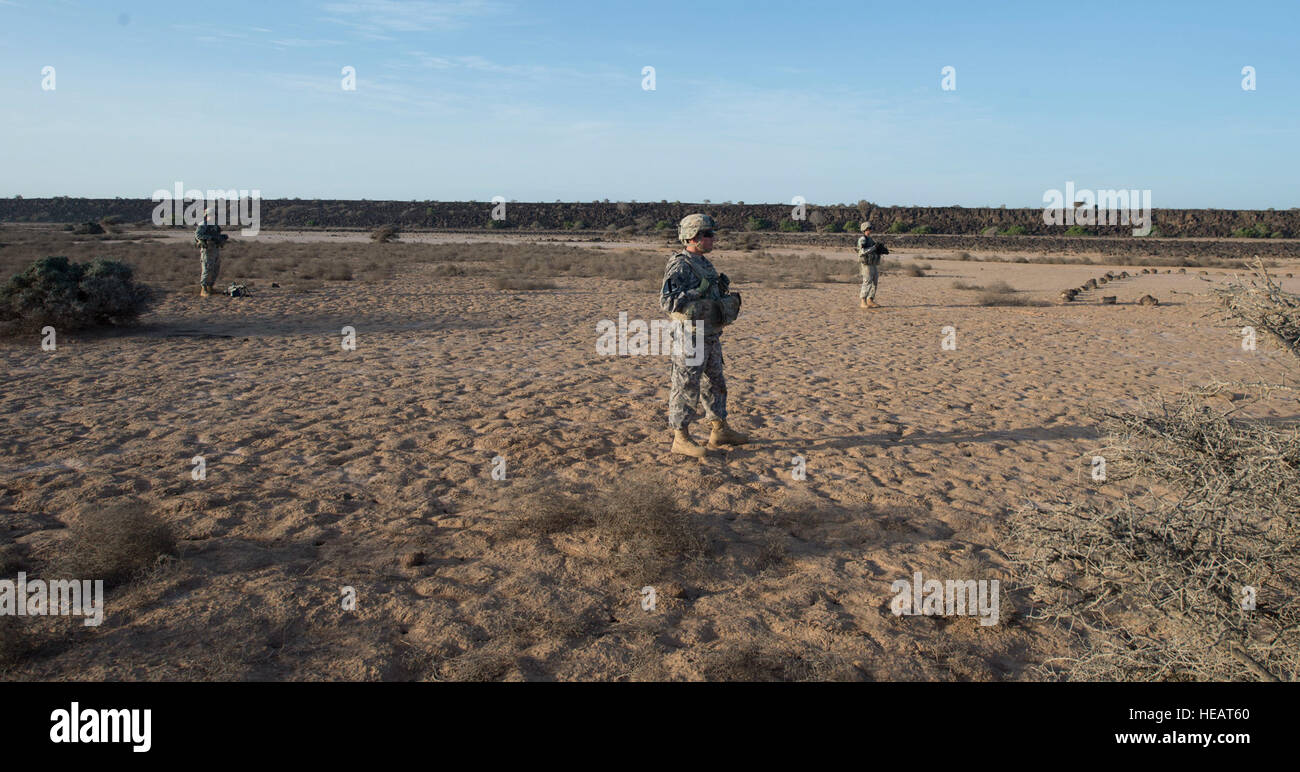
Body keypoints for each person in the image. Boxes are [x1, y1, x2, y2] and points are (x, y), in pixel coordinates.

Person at [659, 213, 749, 458]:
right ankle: (681, 437)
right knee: (686, 385)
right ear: (693, 237)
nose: (712, 238)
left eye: (711, 234)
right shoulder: (680, 264)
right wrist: (695, 291)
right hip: (690, 335)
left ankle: (719, 430)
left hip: (710, 333)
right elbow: (667, 302)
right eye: (708, 234)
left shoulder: (705, 263)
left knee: (716, 383)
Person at [194, 208, 229, 297]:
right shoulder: (203, 225)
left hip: (215, 249)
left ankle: (210, 287)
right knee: (207, 268)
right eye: (212, 215)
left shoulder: (215, 225)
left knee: (215, 269)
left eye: (215, 215)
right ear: (207, 215)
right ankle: (204, 289)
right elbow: (198, 235)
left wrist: (222, 238)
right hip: (207, 249)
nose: (214, 217)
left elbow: (217, 235)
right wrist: (211, 238)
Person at [857, 221, 888, 309]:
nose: (870, 230)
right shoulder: (862, 239)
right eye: (869, 229)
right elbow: (862, 251)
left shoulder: (870, 239)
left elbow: (874, 248)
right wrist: (874, 247)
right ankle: (863, 301)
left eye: (870, 228)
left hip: (873, 263)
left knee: (875, 282)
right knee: (867, 281)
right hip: (866, 264)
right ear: (864, 229)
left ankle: (870, 300)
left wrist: (881, 250)